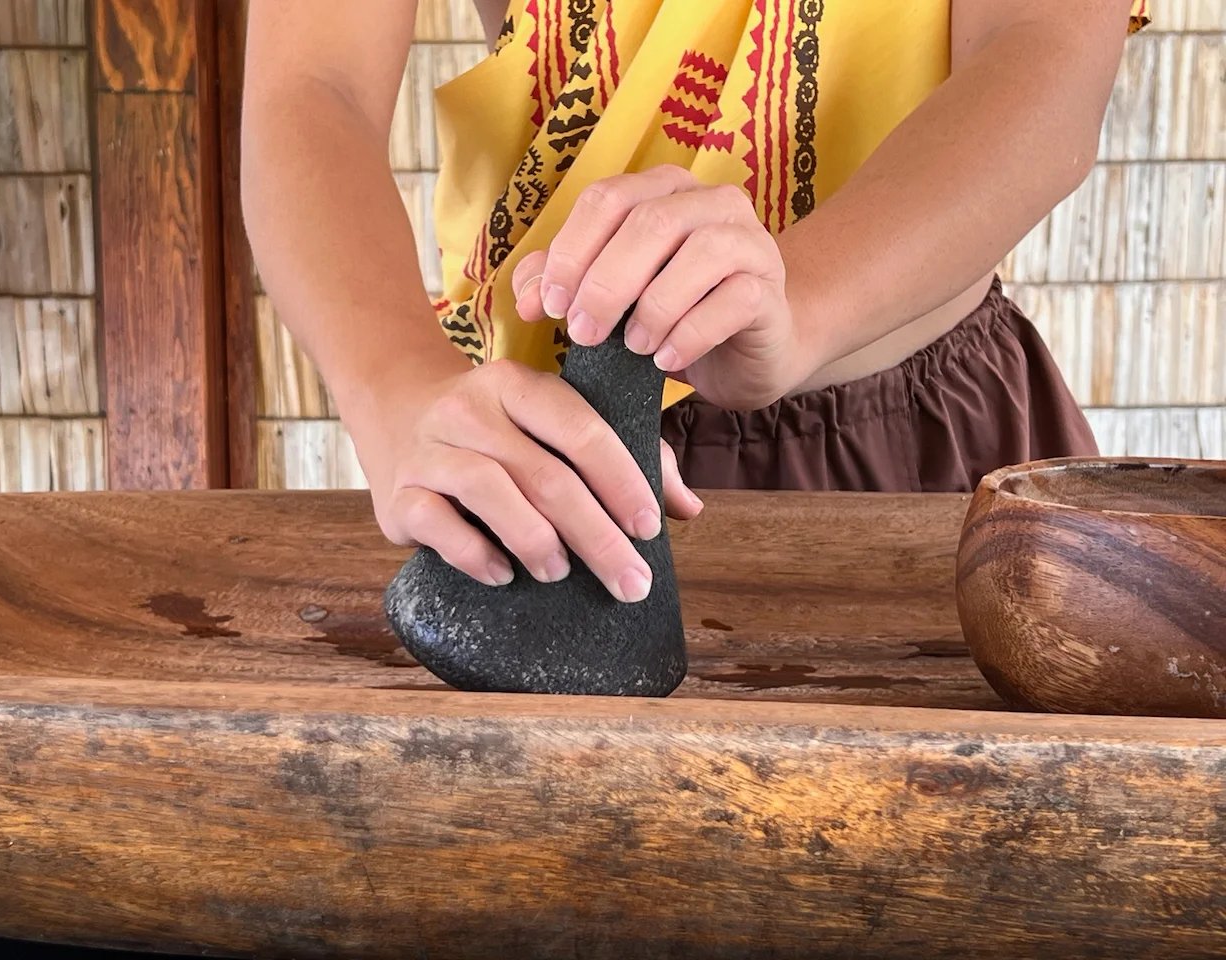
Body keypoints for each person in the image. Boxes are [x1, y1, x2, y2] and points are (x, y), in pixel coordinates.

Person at [241, 0, 1150, 605]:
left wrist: (805, 302)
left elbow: (1046, 43)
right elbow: (314, 85)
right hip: (530, 451)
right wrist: (397, 388)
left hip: (917, 437)